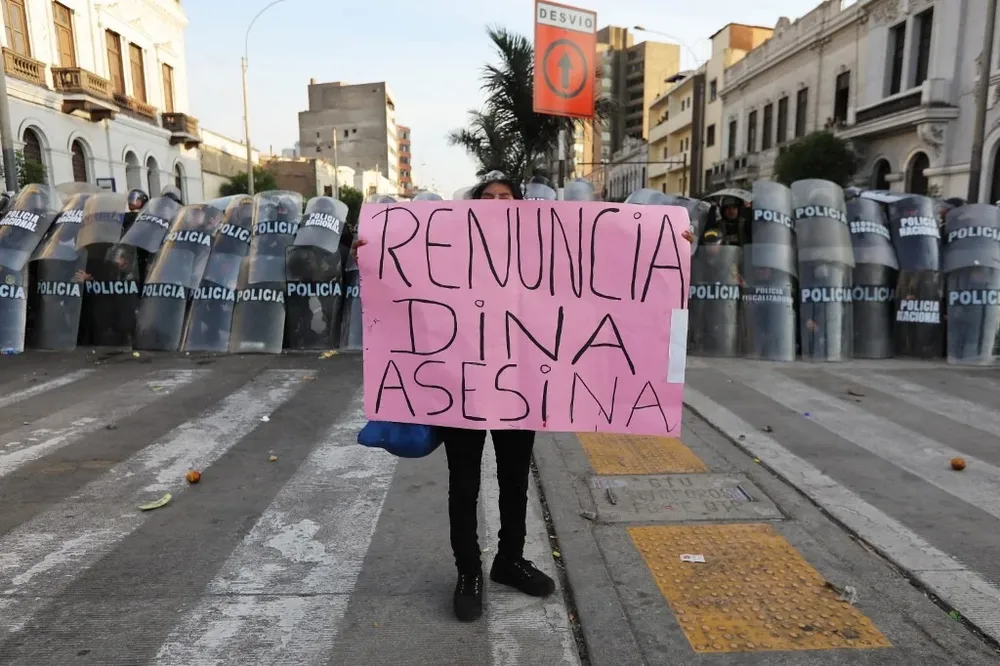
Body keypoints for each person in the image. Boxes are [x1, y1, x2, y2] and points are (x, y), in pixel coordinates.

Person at [353, 172, 693, 622]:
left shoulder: (539, 246)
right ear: (473, 206)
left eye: (505, 197)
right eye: (488, 197)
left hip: (522, 385)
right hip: (462, 387)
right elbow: (404, 281)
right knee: (464, 484)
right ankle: (468, 571)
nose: (496, 204)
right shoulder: (453, 250)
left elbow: (602, 259)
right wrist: (370, 251)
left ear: (519, 203)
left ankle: (509, 560)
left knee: (515, 480)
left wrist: (670, 243)